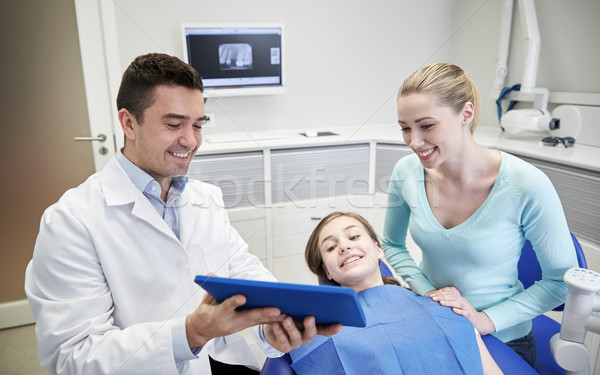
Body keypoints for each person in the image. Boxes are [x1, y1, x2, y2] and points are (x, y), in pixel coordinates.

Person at [24, 53, 340, 375]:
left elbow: (244, 271)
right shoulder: (70, 222)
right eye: (174, 124)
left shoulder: (206, 198)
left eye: (198, 125)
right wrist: (191, 333)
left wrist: (273, 324)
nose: (190, 140)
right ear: (129, 123)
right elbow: (73, 357)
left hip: (226, 362)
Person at [382, 62, 579, 368]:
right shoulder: (405, 172)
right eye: (405, 128)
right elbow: (392, 245)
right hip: (435, 323)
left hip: (501, 337)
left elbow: (560, 282)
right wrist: (431, 293)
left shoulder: (527, 184)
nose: (414, 142)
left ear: (466, 114)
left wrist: (484, 320)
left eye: (427, 125)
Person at [287, 211, 503, 374]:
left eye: (353, 237)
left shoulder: (442, 305)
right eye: (331, 247)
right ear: (328, 272)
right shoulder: (317, 333)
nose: (344, 247)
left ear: (378, 248)